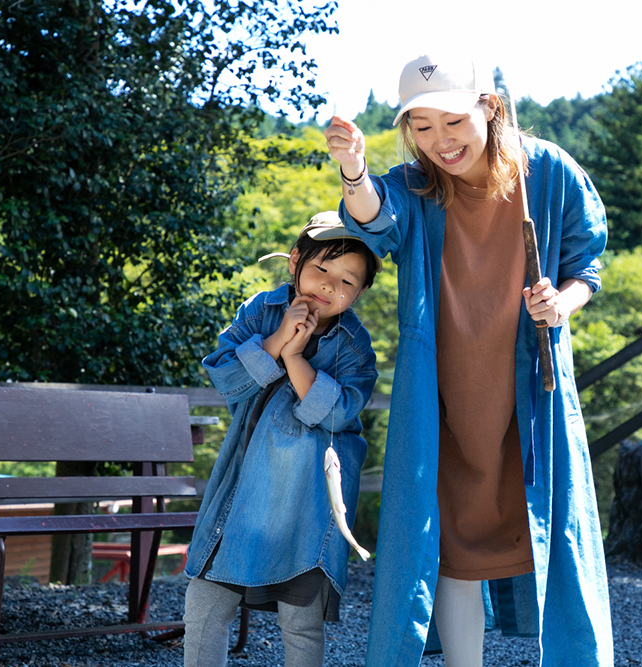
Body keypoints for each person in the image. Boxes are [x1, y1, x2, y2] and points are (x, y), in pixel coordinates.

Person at [323, 52, 613, 667]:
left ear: (490, 107)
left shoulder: (549, 171)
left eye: (452, 121)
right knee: (444, 539)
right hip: (442, 397)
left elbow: (588, 259)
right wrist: (353, 169)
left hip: (531, 393)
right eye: (421, 128)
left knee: (554, 535)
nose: (440, 141)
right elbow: (374, 220)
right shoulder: (414, 185)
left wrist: (561, 302)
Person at [182, 212, 381, 667]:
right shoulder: (260, 310)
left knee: (301, 621)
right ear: (295, 263)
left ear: (360, 293)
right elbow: (225, 376)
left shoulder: (354, 348)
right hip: (242, 483)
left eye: (348, 281)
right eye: (321, 269)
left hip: (307, 499)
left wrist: (295, 357)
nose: (330, 286)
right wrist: (276, 340)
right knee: (206, 603)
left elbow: (331, 412)